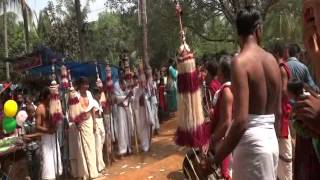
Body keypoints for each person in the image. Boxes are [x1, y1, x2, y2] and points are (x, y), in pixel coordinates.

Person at [213, 6, 281, 180]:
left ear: (239, 33)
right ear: (258, 29)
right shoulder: (272, 60)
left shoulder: (240, 62)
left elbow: (241, 121)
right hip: (271, 141)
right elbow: (278, 113)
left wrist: (216, 158)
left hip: (251, 146)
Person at [271, 41, 293, 180]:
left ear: (276, 53)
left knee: (285, 150)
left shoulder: (280, 68)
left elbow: (284, 91)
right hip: (282, 111)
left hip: (282, 113)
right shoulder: (281, 67)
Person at [210, 55, 233, 180]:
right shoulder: (233, 88)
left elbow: (226, 123)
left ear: (223, 72)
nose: (216, 72)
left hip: (224, 141)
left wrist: (212, 139)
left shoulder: (226, 91)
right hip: (228, 139)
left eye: (218, 69)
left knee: (226, 173)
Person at [36, 87, 63, 180]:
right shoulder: (40, 108)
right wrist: (48, 131)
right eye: (50, 95)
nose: (51, 97)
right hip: (46, 137)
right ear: (45, 96)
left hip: (53, 135)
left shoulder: (52, 106)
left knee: (56, 157)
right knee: (48, 160)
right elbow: (37, 126)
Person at [77, 77, 99, 179]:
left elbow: (93, 109)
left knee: (92, 147)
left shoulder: (89, 94)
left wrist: (94, 122)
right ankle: (88, 173)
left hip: (90, 121)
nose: (86, 86)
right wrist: (78, 125)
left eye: (87, 84)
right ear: (80, 85)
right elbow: (74, 113)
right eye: (84, 84)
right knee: (85, 149)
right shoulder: (76, 96)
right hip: (82, 124)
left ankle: (94, 172)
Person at [132, 75, 152, 152]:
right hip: (141, 112)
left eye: (143, 81)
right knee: (142, 128)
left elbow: (149, 97)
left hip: (148, 110)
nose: (142, 83)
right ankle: (145, 146)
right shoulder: (137, 91)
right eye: (141, 82)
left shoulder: (147, 89)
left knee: (150, 125)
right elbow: (136, 103)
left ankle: (149, 143)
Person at [114, 79, 134, 157]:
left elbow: (131, 99)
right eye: (124, 84)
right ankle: (123, 150)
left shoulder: (126, 91)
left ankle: (129, 148)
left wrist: (131, 95)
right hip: (121, 112)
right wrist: (127, 96)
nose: (125, 86)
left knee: (128, 130)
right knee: (122, 130)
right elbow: (118, 99)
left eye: (125, 84)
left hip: (127, 111)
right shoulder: (117, 92)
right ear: (121, 85)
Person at [22, 104, 42, 180]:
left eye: (34, 112)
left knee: (37, 166)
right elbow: (24, 137)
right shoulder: (24, 123)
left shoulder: (37, 121)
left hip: (37, 146)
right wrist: (35, 136)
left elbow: (39, 135)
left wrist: (29, 136)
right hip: (28, 149)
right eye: (31, 112)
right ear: (27, 112)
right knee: (30, 166)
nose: (33, 114)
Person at [92, 88, 106, 173]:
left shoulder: (99, 102)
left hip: (101, 121)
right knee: (98, 145)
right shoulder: (93, 102)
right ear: (95, 94)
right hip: (97, 122)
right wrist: (94, 123)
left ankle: (100, 164)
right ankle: (100, 167)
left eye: (100, 93)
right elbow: (94, 113)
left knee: (101, 143)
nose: (99, 95)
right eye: (98, 94)